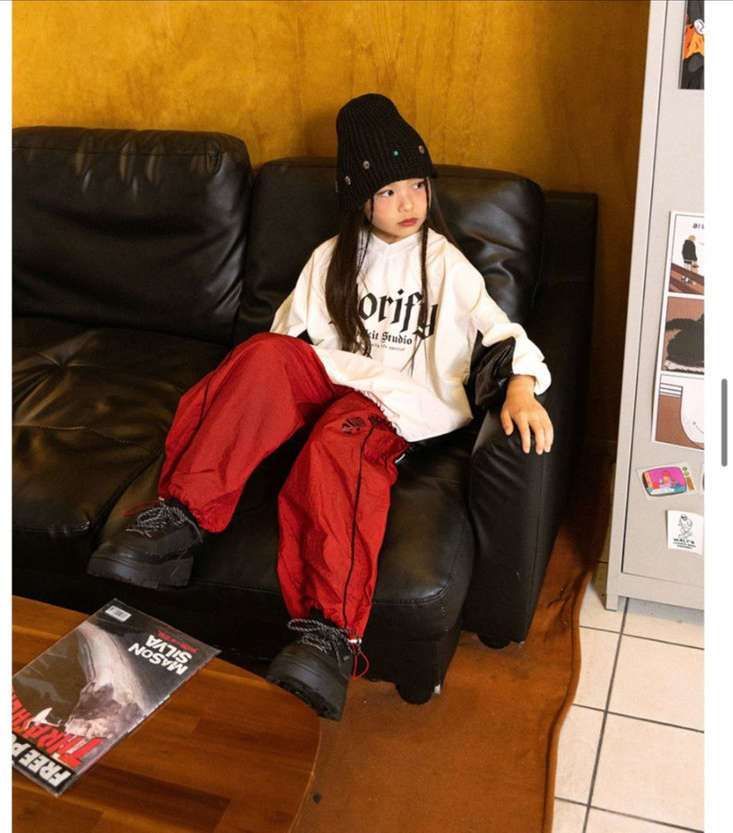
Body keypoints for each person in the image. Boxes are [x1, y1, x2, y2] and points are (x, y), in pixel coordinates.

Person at [87, 94, 554, 720]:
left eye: (417, 185)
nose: (410, 203)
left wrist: (520, 387)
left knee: (339, 437)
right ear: (360, 198)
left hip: (394, 405)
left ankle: (330, 636)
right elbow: (285, 347)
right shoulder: (331, 257)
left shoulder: (443, 262)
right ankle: (178, 522)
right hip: (332, 378)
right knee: (260, 354)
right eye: (389, 191)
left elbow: (500, 332)